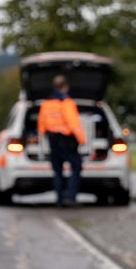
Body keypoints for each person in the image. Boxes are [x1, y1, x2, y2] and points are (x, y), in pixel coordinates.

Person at [37, 75, 86, 207]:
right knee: (76, 167)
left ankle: (59, 199)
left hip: (52, 141)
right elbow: (73, 123)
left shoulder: (46, 104)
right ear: (65, 87)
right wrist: (82, 139)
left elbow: (41, 125)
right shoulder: (67, 102)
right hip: (67, 140)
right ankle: (70, 197)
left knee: (57, 171)